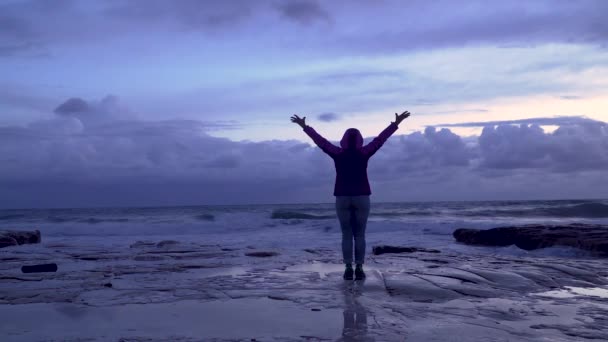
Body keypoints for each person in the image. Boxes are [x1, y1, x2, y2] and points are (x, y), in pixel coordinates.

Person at [291, 111, 410, 280]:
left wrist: (304, 126)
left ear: (344, 140)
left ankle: (348, 268)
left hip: (342, 197)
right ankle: (359, 268)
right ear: (360, 140)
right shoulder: (364, 152)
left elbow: (320, 141)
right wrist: (396, 123)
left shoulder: (338, 153)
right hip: (362, 196)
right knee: (360, 234)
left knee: (346, 234)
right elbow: (380, 140)